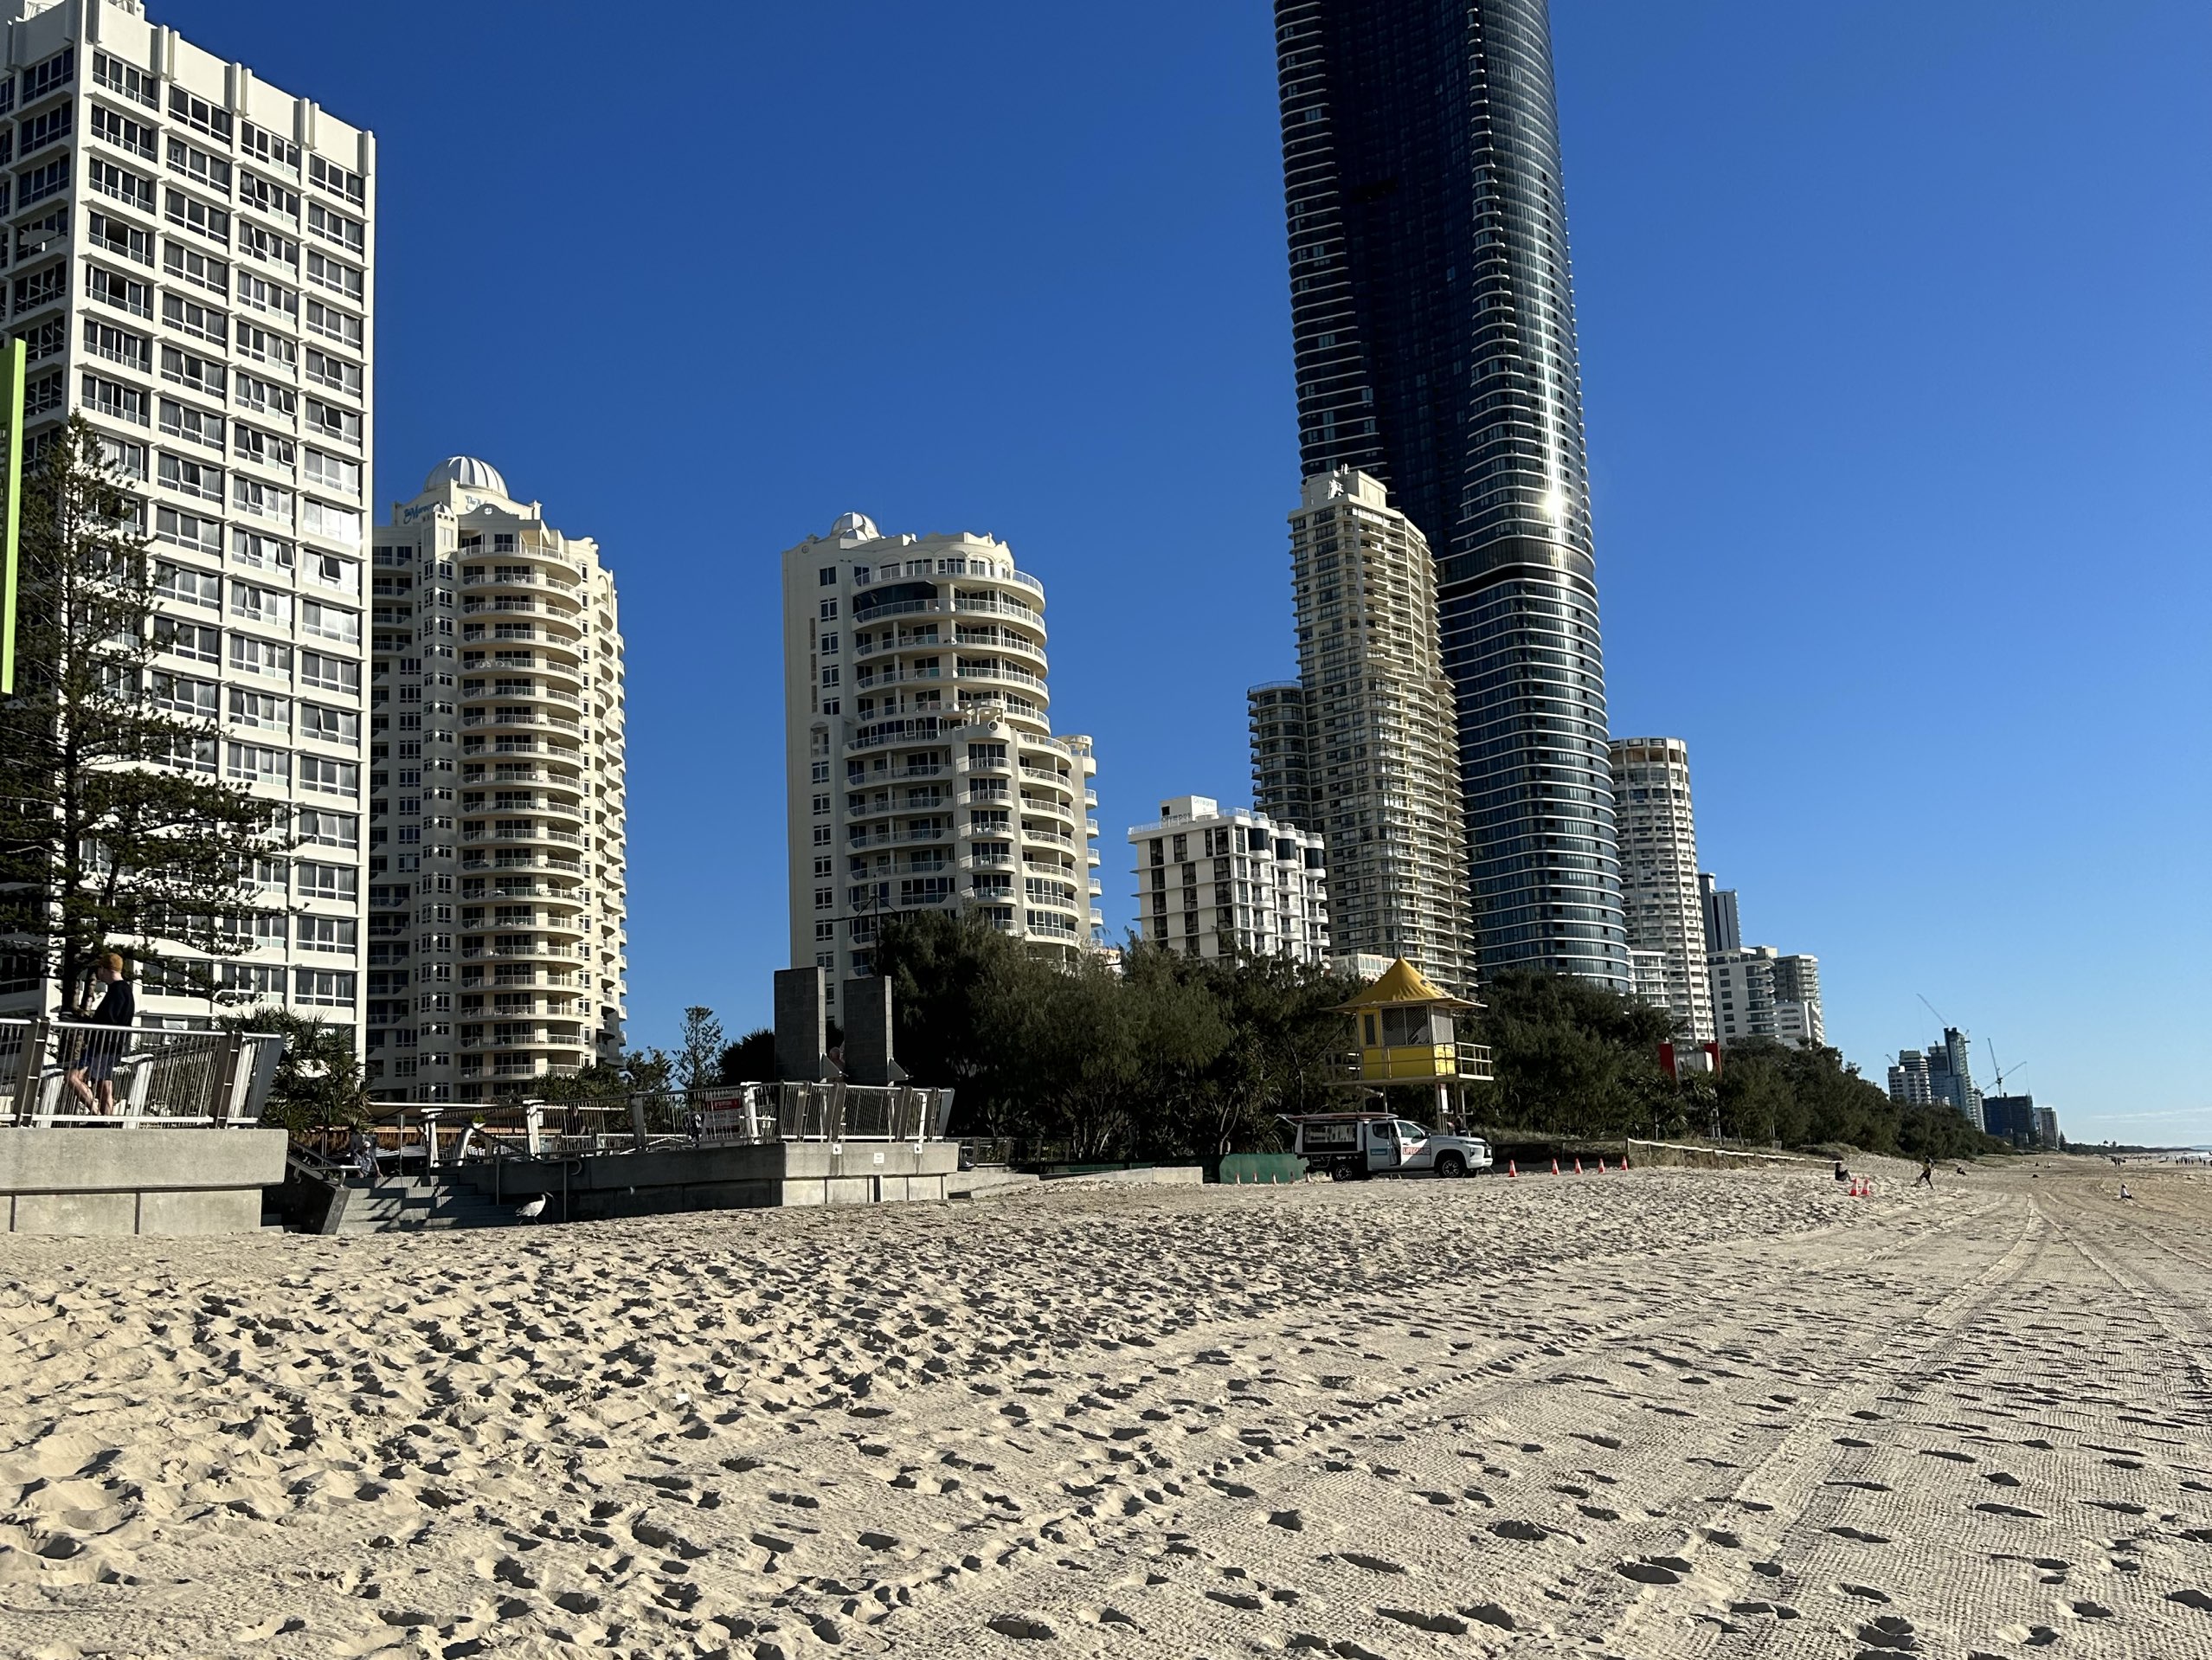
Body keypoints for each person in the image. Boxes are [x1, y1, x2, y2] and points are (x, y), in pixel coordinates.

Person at [65, 953, 135, 1116]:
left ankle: (97, 1115)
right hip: (114, 1044)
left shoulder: (116, 991)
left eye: (99, 969)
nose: (98, 974)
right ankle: (105, 1121)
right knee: (104, 1084)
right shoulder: (126, 991)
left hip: (102, 1044)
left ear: (104, 968)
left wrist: (83, 1020)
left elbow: (106, 1021)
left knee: (72, 1077)